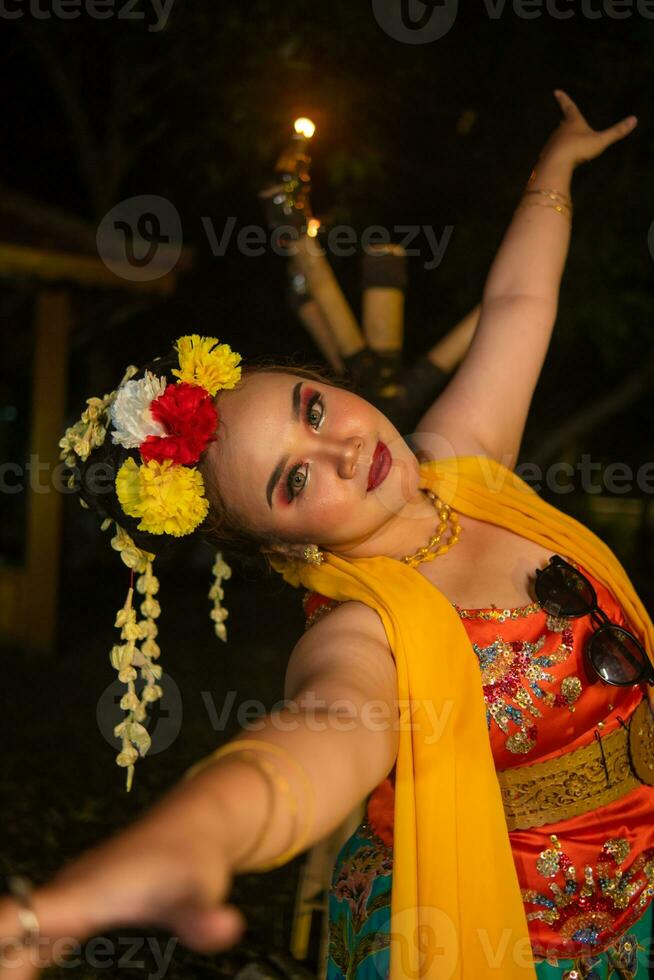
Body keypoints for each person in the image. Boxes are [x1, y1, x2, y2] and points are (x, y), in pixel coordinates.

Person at [0, 91, 647, 980]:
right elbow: (319, 735)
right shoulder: (362, 631)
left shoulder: (457, 464)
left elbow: (519, 302)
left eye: (313, 409)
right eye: (294, 480)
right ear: (288, 546)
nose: (344, 448)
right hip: (518, 938)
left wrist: (557, 168)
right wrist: (185, 844)